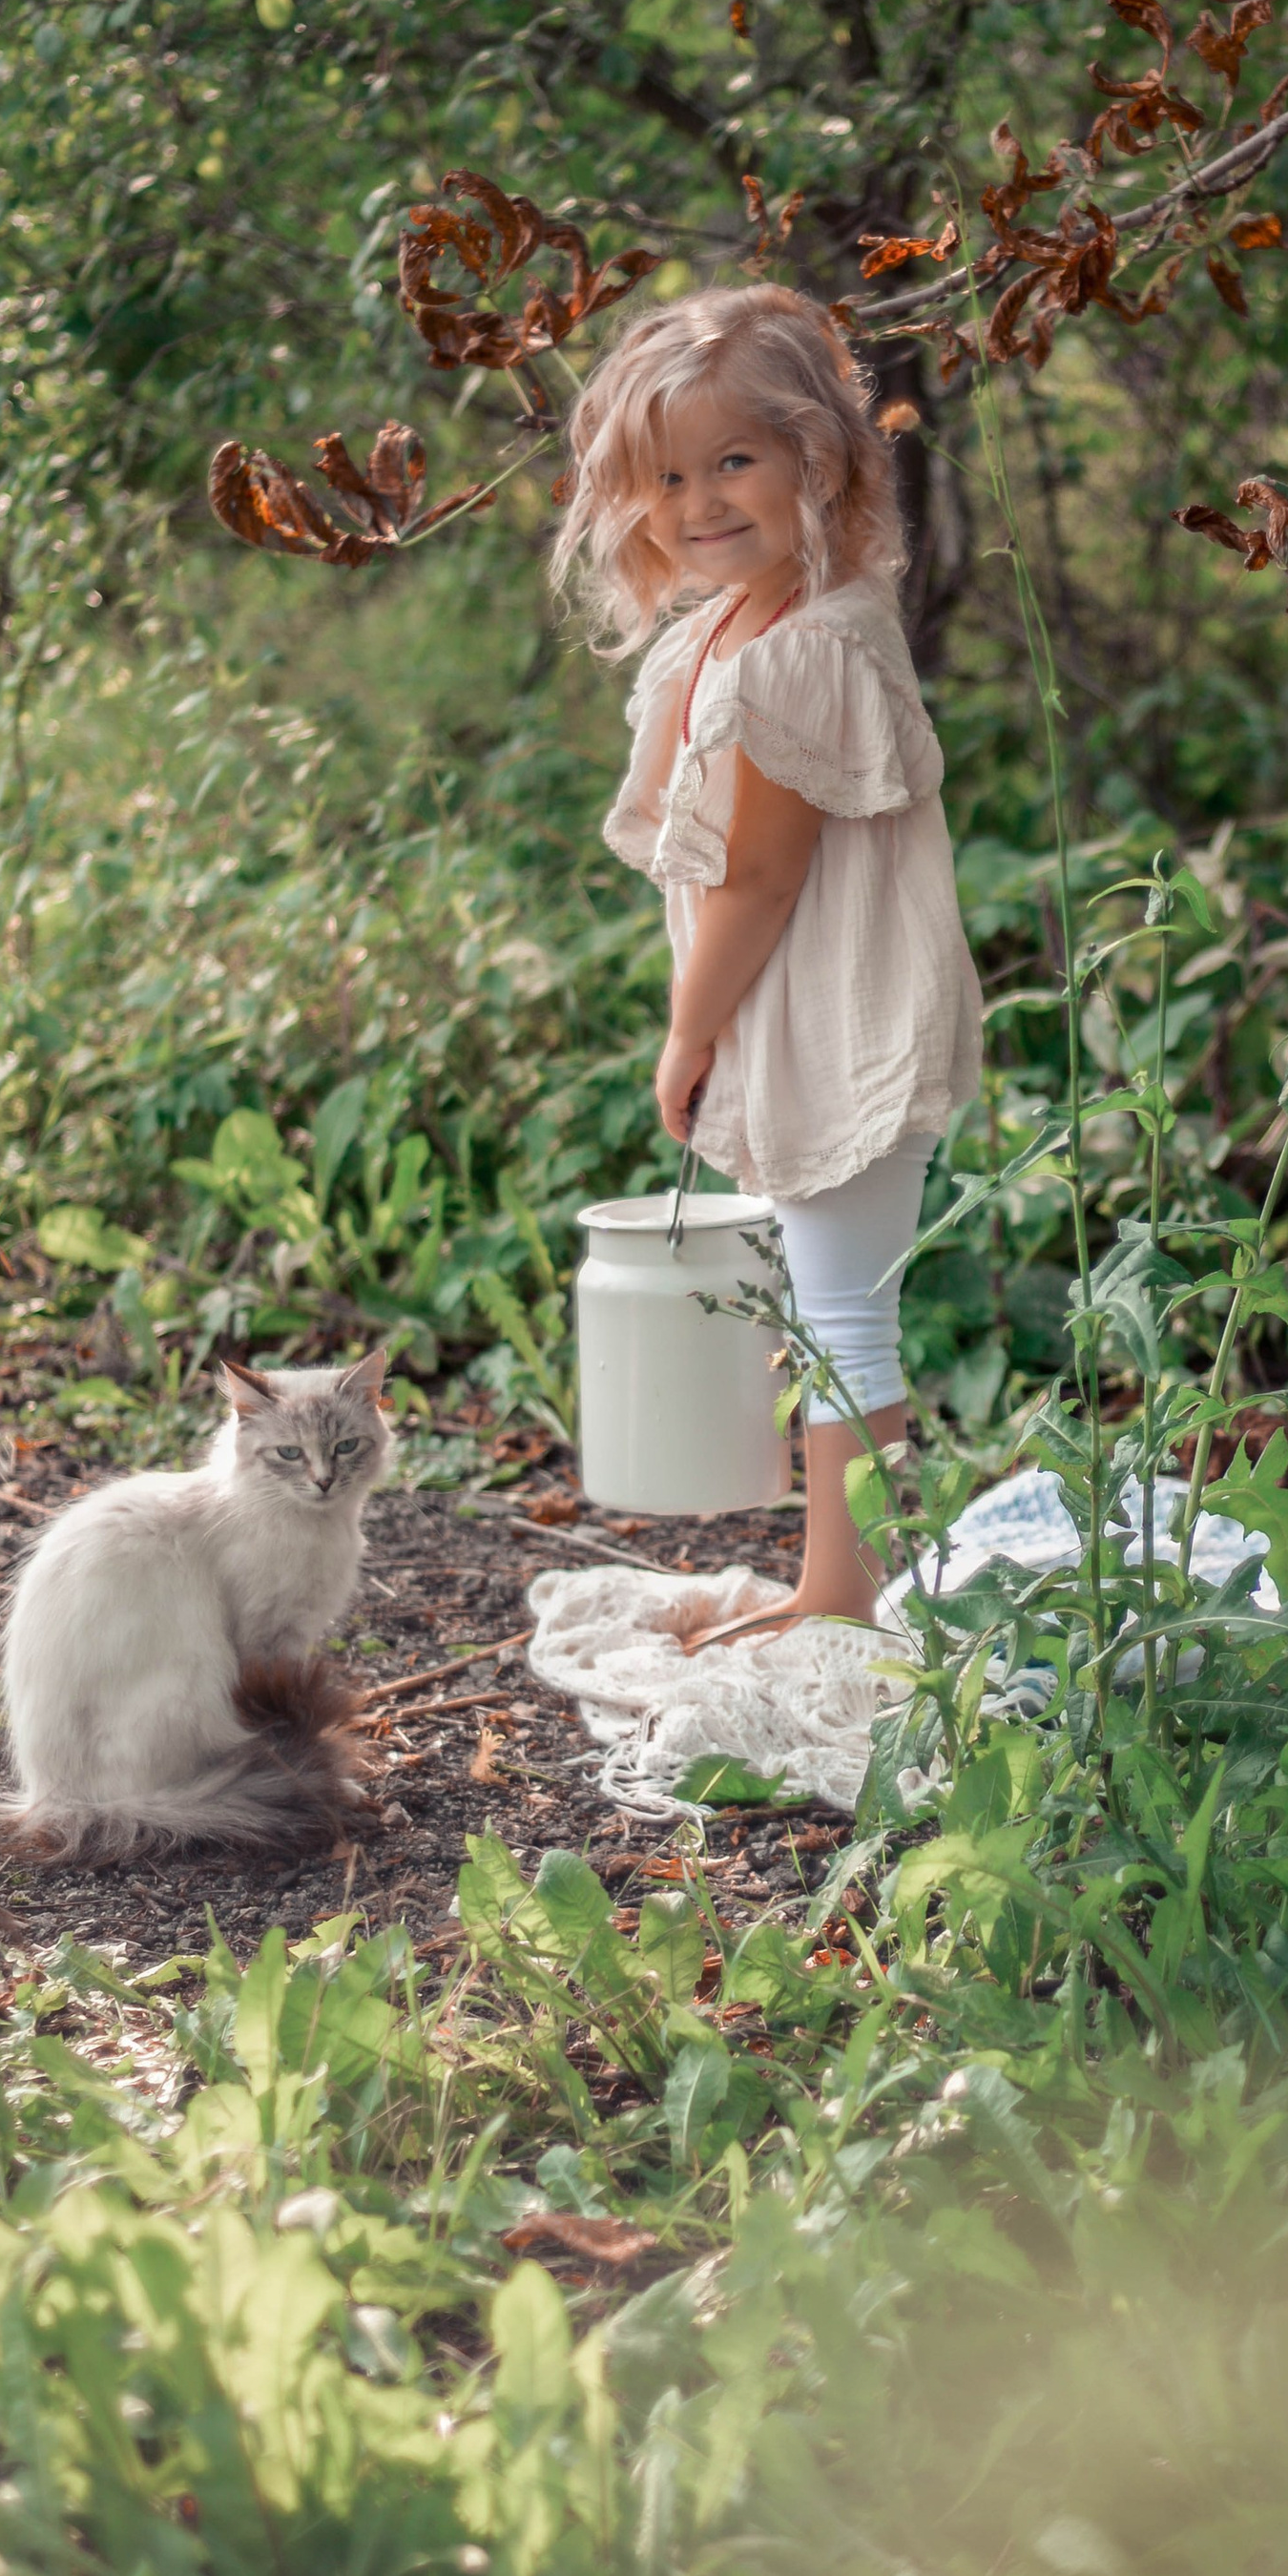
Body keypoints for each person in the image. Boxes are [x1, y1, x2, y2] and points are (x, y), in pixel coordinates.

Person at [561, 283, 983, 1638]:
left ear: (818, 456)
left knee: (844, 1316)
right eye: (665, 477)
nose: (697, 502)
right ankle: (834, 1582)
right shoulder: (732, 625)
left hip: (841, 1020)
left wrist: (688, 1033)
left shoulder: (801, 650)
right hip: (794, 1013)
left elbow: (758, 874)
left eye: (732, 460)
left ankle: (839, 1601)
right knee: (822, 1306)